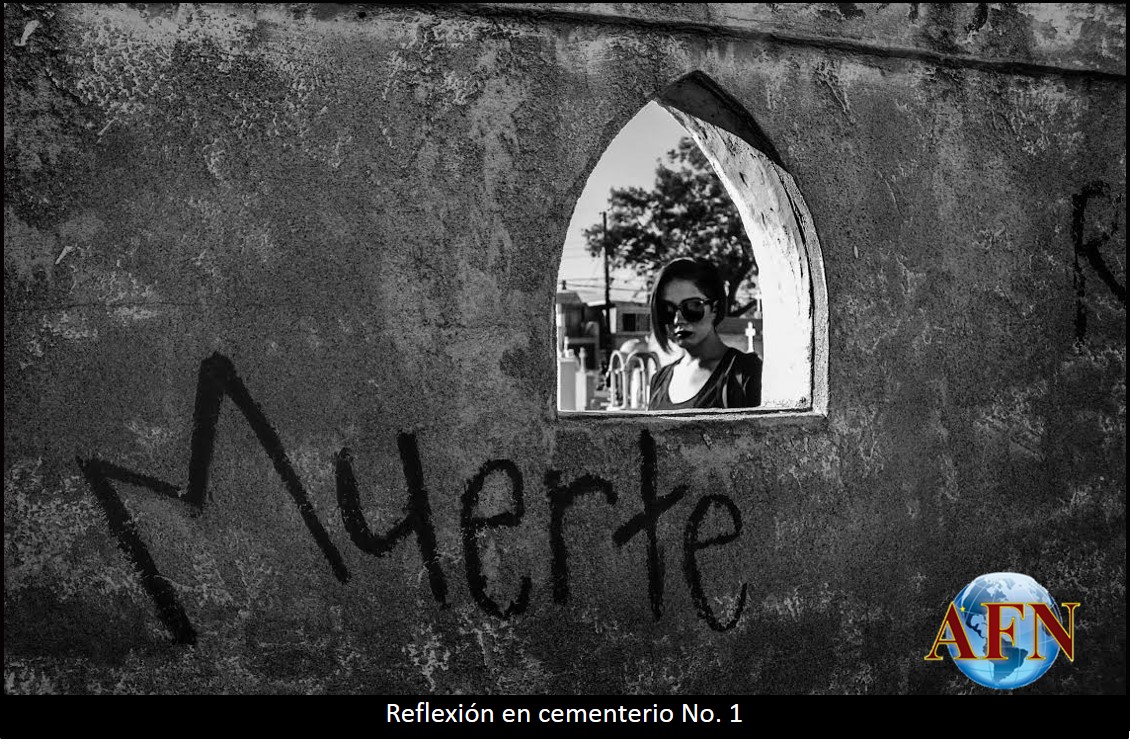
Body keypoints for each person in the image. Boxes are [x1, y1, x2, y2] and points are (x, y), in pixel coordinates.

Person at [647, 257, 762, 410]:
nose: (678, 319)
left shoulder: (746, 373)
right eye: (667, 310)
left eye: (692, 307)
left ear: (715, 308)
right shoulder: (659, 381)